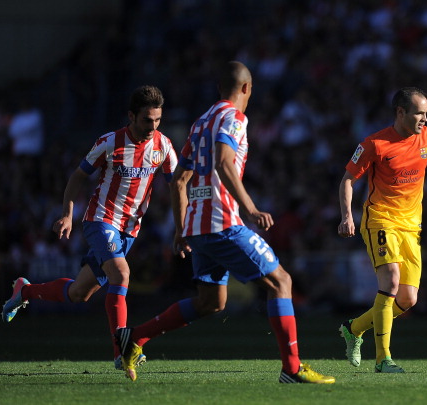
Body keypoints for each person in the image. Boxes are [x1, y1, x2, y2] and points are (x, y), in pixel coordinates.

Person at [114, 61, 334, 384]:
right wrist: (251, 208)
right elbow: (224, 162)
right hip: (223, 223)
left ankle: (134, 337)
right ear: (247, 88)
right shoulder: (235, 118)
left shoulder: (200, 122)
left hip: (198, 227)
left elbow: (178, 181)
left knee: (211, 302)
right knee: (281, 282)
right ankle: (292, 368)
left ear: (219, 88)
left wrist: (181, 229)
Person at [2, 85, 178, 370]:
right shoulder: (110, 142)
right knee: (121, 274)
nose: (153, 126)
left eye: (158, 120)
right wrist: (67, 214)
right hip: (101, 220)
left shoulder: (164, 146)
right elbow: (78, 176)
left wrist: (184, 224)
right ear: (131, 116)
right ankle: (122, 351)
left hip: (129, 230)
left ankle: (24, 291)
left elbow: (177, 186)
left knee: (78, 293)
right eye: (148, 120)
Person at [337, 87, 427, 373]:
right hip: (380, 219)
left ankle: (353, 328)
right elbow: (347, 180)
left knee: (408, 299)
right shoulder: (375, 144)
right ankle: (383, 359)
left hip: (411, 225)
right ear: (400, 112)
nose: (425, 119)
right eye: (419, 113)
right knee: (391, 282)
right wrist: (347, 216)